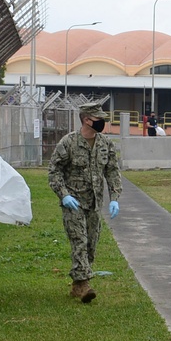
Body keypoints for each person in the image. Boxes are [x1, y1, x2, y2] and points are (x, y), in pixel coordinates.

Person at [48, 103, 123, 303]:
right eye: (98, 118)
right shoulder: (69, 142)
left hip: (94, 204)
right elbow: (54, 171)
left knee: (91, 244)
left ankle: (77, 284)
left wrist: (114, 198)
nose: (102, 122)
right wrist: (63, 195)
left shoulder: (105, 144)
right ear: (87, 120)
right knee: (79, 241)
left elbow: (113, 172)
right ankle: (83, 284)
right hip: (74, 202)